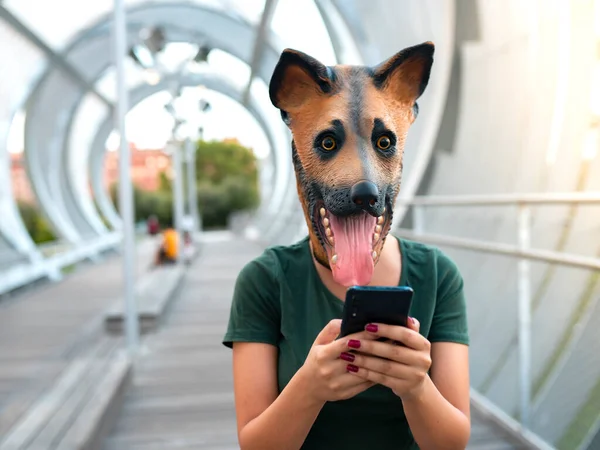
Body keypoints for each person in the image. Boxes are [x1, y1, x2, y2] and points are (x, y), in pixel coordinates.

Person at [223, 42, 471, 449]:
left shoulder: (439, 276)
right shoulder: (264, 282)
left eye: (384, 144)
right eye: (328, 144)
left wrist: (416, 388)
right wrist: (310, 386)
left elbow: (452, 443)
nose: (364, 181)